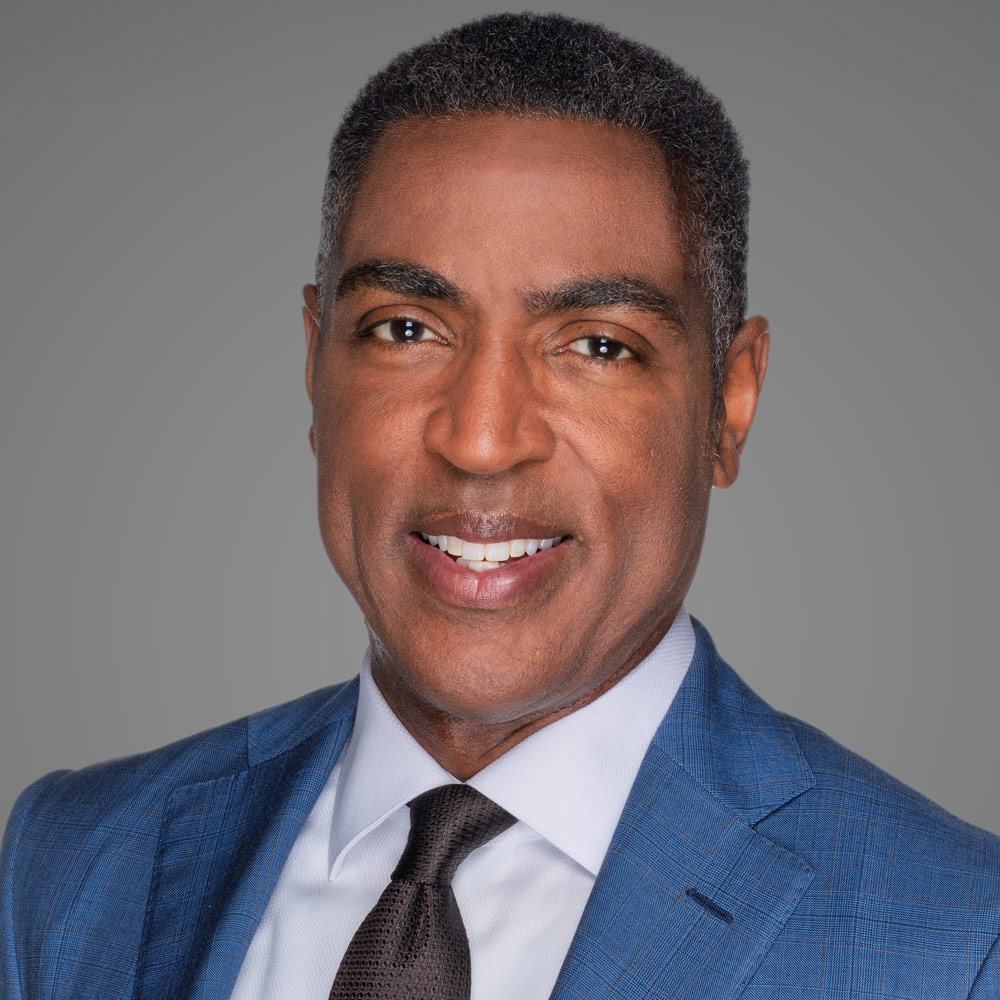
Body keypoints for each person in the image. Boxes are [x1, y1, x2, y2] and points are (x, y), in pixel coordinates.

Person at [2, 11, 998, 999]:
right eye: (406, 328)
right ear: (314, 364)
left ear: (728, 406)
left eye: (597, 345)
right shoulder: (70, 863)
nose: (480, 439)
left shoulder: (955, 944)